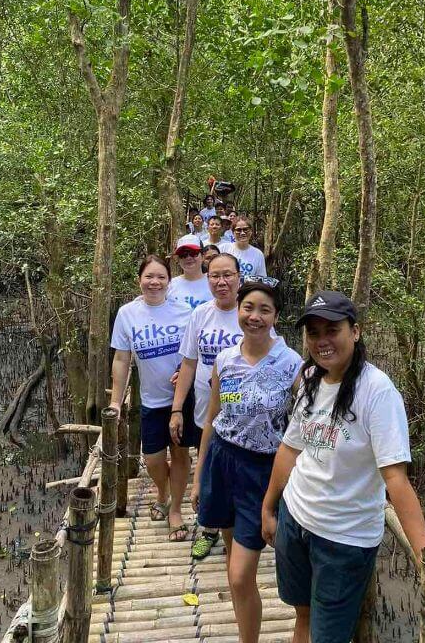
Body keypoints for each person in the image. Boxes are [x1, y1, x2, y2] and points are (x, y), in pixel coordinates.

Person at [261, 291, 425, 643]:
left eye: (332, 330)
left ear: (355, 331)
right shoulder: (311, 378)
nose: (322, 341)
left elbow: (396, 480)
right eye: (313, 333)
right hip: (296, 518)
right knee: (302, 614)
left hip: (344, 539)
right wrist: (269, 506)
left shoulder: (377, 392)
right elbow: (290, 450)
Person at [191, 282, 302, 643]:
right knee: (231, 561)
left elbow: (302, 427)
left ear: (275, 317)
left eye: (264, 310)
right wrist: (198, 476)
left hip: (263, 471)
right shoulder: (225, 359)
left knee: (240, 574)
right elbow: (212, 419)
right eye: (248, 307)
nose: (254, 316)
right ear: (238, 309)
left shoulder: (292, 365)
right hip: (222, 461)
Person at [109, 255, 199, 541]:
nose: (155, 282)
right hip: (150, 400)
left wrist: (183, 373)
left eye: (161, 277)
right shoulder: (127, 314)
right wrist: (116, 400)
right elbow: (122, 359)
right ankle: (162, 492)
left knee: (181, 453)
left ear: (169, 282)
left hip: (181, 399)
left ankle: (174, 510)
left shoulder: (185, 312)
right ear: (140, 280)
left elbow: (193, 354)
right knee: (153, 460)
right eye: (149, 276)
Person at [170, 253, 243, 559]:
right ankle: (209, 527)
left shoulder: (250, 312)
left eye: (227, 275)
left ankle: (240, 531)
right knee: (209, 467)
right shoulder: (200, 314)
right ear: (207, 278)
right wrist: (176, 409)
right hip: (205, 410)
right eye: (214, 276)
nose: (221, 282)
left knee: (239, 469)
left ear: (239, 277)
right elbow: (188, 363)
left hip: (242, 412)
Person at [166, 236, 213, 310]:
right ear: (178, 259)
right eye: (183, 254)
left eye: (193, 253)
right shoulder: (170, 285)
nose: (188, 257)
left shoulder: (214, 282)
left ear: (203, 256)